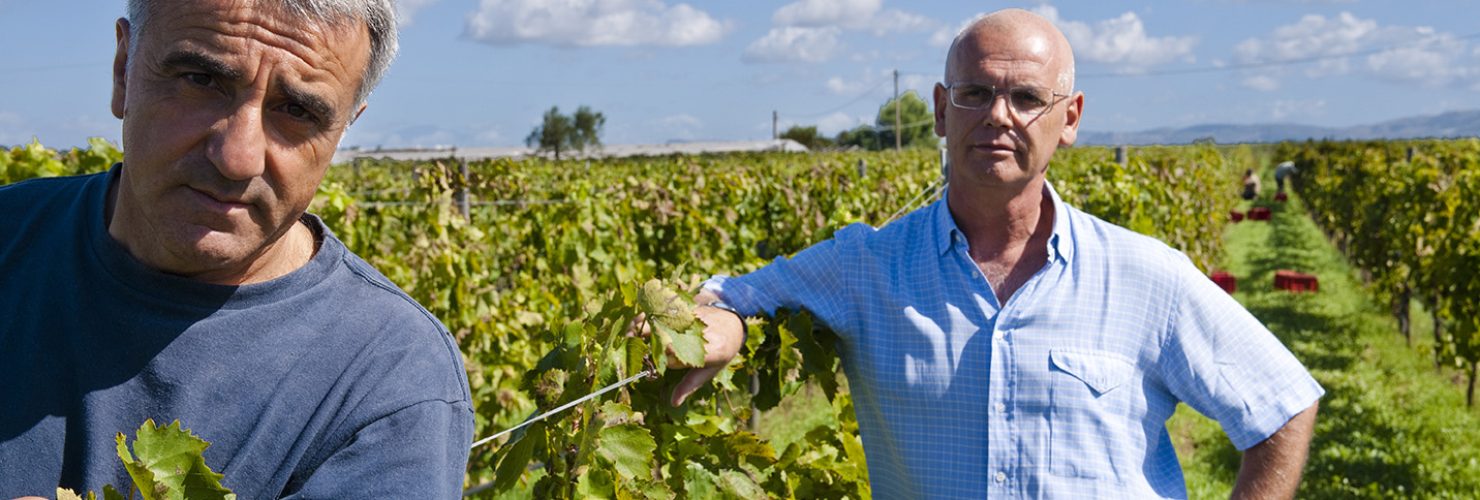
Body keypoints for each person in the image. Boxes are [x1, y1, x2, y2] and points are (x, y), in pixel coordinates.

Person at [678, 9, 1322, 499]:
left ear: (1068, 119)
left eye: (1026, 98)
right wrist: (721, 326)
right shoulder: (865, 266)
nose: (998, 116)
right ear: (940, 109)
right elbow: (736, 296)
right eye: (976, 94)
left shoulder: (1144, 275)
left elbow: (1281, 404)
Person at [0, 1, 473, 497]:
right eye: (200, 79)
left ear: (343, 130)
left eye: (297, 110)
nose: (236, 157)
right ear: (123, 71)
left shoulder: (391, 380)